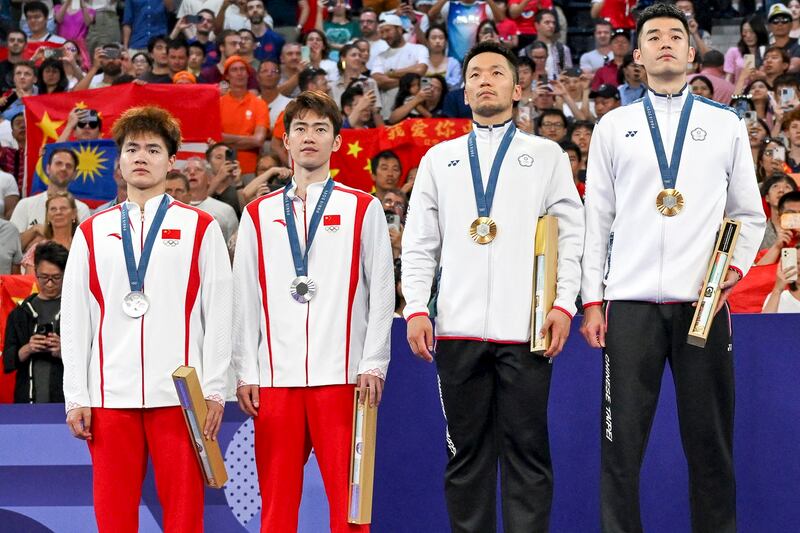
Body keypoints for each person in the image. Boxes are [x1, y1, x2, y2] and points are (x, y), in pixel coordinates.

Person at [579, 5, 766, 532]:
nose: (665, 43)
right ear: (636, 55)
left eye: (675, 36)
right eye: (652, 36)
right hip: (630, 306)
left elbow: (749, 215)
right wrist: (593, 300)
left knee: (710, 446)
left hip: (701, 305)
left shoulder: (724, 125)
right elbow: (598, 220)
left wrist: (732, 268)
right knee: (621, 449)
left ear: (691, 52)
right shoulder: (614, 126)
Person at [402, 40, 584, 532]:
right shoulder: (440, 159)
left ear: (517, 88)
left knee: (527, 454)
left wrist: (564, 304)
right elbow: (420, 241)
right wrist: (417, 306)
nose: (485, 79)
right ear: (464, 88)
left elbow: (571, 236)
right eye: (476, 72)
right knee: (465, 457)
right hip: (457, 329)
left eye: (496, 73)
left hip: (525, 330)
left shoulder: (545, 155)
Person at [61, 105, 232, 532]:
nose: (141, 156)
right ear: (118, 160)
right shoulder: (92, 230)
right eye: (132, 148)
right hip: (109, 396)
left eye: (153, 149)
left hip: (180, 395)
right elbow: (77, 320)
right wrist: (77, 397)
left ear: (171, 160)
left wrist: (213, 390)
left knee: (184, 515)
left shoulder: (200, 226)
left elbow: (220, 314)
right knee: (113, 515)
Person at [232, 90, 393, 533]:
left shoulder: (363, 207)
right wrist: (245, 371)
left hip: (343, 379)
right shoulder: (258, 213)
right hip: (276, 380)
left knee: (350, 507)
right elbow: (244, 297)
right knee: (277, 509)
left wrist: (374, 362)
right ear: (285, 140)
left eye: (320, 129)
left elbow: (381, 289)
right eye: (300, 128)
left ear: (337, 142)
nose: (309, 137)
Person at [3, 241, 69, 403]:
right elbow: (8, 361)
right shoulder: (20, 313)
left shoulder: (75, 310)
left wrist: (64, 352)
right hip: (26, 400)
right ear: (36, 273)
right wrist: (27, 349)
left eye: (56, 278)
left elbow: (92, 360)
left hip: (67, 403)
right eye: (43, 277)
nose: (49, 283)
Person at [10, 149, 91, 250]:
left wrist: (44, 239)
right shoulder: (25, 204)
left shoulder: (81, 209)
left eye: (68, 166)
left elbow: (83, 249)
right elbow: (9, 247)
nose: (63, 168)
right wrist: (34, 230)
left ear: (74, 174)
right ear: (48, 168)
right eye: (58, 163)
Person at [220, 55, 269, 177]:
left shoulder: (259, 104)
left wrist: (226, 141)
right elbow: (215, 138)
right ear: (227, 76)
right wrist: (247, 140)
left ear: (248, 74)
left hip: (250, 170)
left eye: (242, 69)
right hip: (221, 169)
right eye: (234, 70)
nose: (239, 73)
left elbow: (258, 140)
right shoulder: (218, 103)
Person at [21, 191, 79, 274]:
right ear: (47, 216)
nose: (58, 212)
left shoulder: (83, 245)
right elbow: (30, 283)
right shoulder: (38, 249)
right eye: (53, 209)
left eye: (63, 208)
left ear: (74, 214)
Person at [184, 156, 239, 243]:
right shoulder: (174, 210)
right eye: (186, 170)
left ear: (209, 179)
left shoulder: (225, 210)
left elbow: (233, 247)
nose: (192, 173)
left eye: (198, 169)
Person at [762, 191, 800, 312]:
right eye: (791, 214)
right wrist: (777, 247)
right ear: (779, 216)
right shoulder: (770, 249)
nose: (797, 218)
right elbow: (753, 276)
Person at [758, 174, 798, 255]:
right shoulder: (758, 231)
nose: (781, 190)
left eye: (787, 187)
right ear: (767, 198)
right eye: (775, 186)